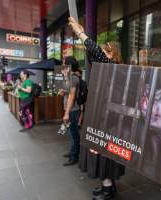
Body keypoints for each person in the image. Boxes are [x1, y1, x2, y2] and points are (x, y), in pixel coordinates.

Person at [69, 17, 124, 200]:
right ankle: (107, 185)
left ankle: (108, 188)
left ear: (113, 54)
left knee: (105, 153)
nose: (101, 52)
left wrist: (79, 33)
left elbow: (94, 52)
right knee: (102, 152)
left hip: (110, 121)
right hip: (105, 118)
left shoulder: (113, 67)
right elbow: (94, 53)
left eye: (106, 51)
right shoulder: (109, 68)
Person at [62, 56, 84, 166]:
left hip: (73, 110)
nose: (62, 66)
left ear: (69, 66)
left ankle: (74, 156)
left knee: (74, 134)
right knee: (72, 133)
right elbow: (67, 92)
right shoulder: (69, 77)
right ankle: (73, 151)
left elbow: (71, 96)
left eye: (64, 64)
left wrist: (66, 113)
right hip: (70, 109)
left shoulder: (74, 78)